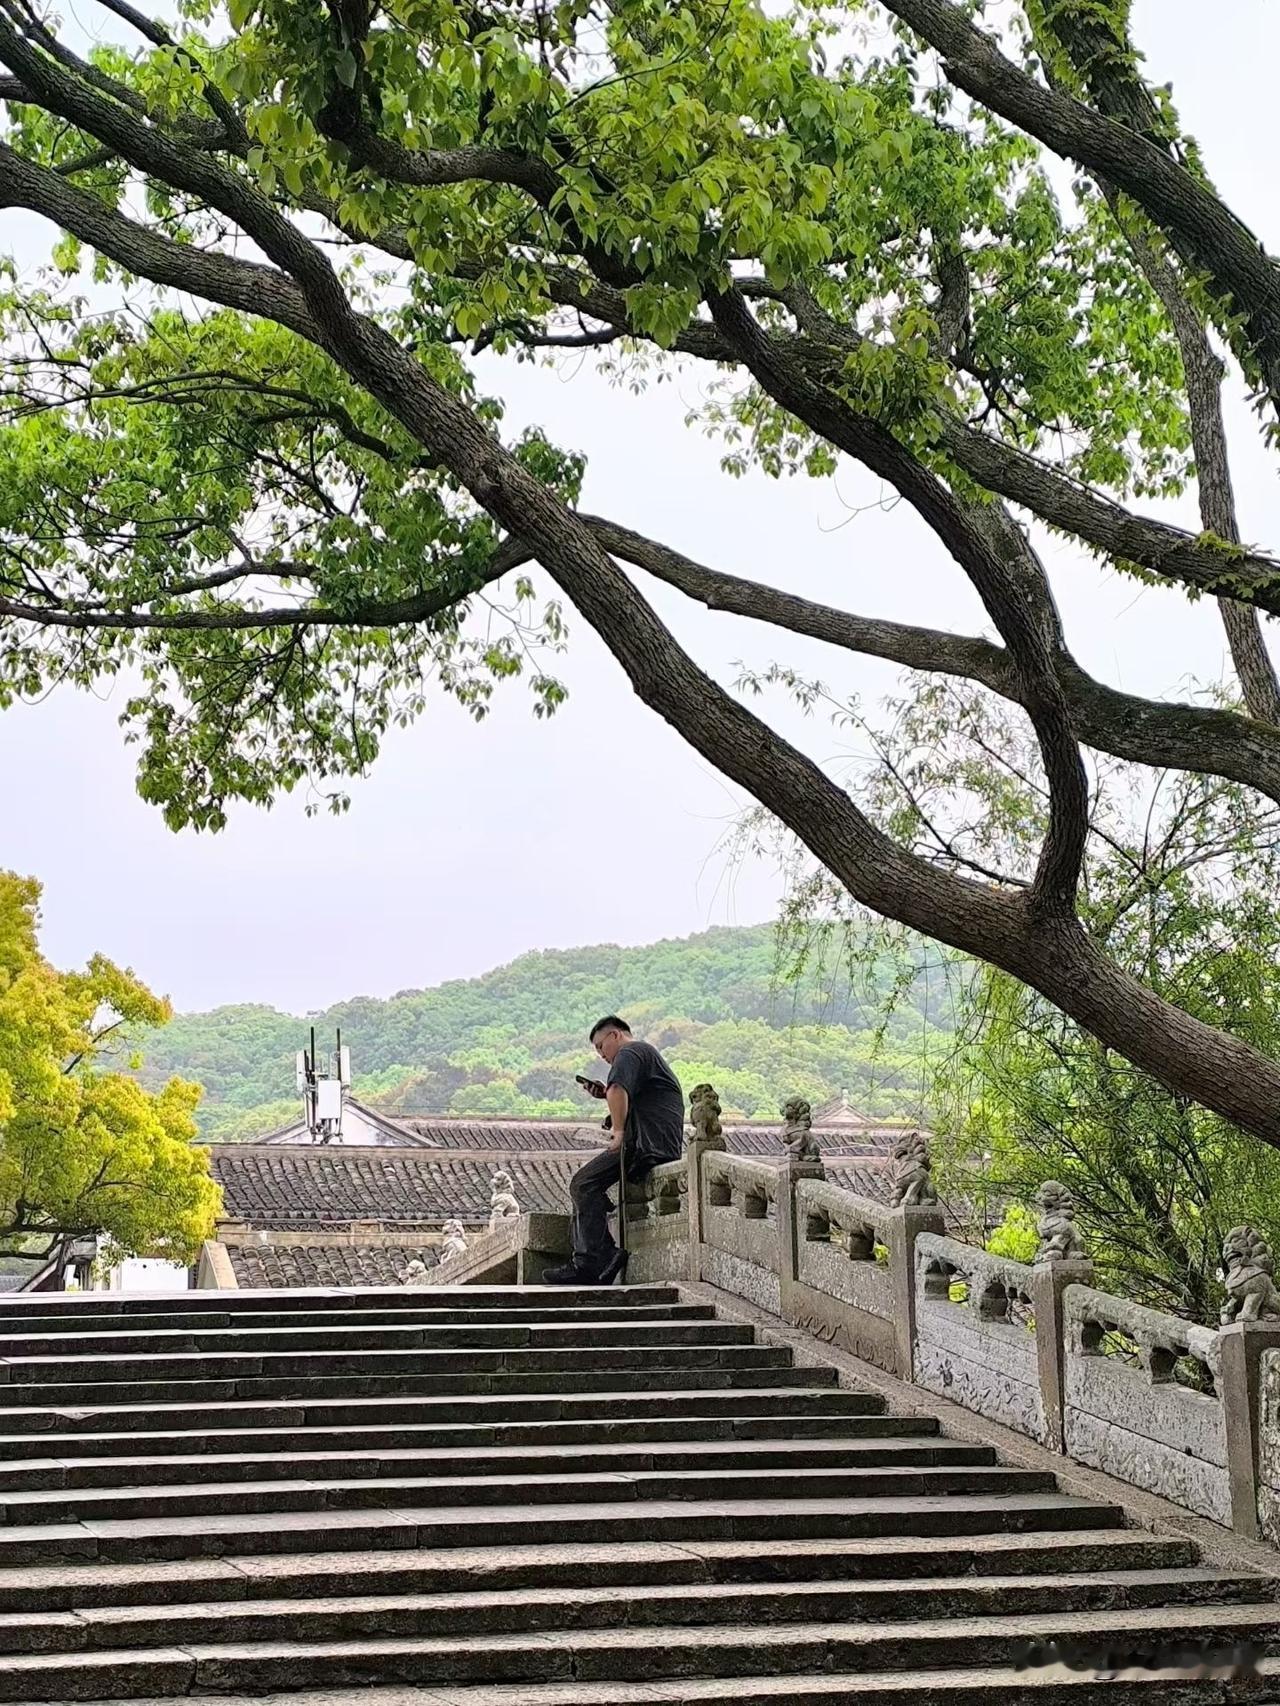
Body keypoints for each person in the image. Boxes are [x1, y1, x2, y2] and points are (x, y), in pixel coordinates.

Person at [543, 1016, 685, 1285]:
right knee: (587, 1187)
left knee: (583, 1184)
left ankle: (595, 1259)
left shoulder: (630, 1051)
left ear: (616, 1036)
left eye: (600, 1046)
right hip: (656, 1140)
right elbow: (622, 1093)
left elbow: (619, 1088)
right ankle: (592, 1258)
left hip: (645, 1143)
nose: (601, 1054)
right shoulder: (645, 1054)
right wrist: (605, 1094)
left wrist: (618, 1131)